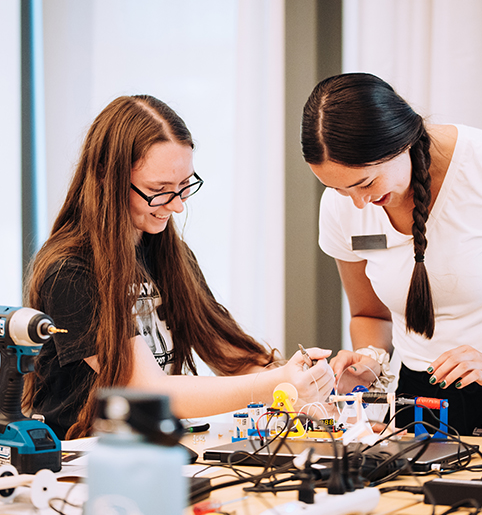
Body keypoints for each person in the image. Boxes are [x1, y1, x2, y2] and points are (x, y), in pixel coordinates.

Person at [24, 94, 334, 440]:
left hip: (149, 448)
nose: (177, 207)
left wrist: (310, 384)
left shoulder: (170, 255)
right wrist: (275, 384)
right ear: (104, 176)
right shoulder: (69, 272)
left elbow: (229, 354)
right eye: (158, 190)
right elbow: (148, 389)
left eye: (184, 187)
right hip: (79, 459)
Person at [300, 72, 482, 435]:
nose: (358, 202)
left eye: (366, 183)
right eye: (336, 188)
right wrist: (369, 360)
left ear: (402, 143)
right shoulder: (343, 203)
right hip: (421, 400)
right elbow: (370, 315)